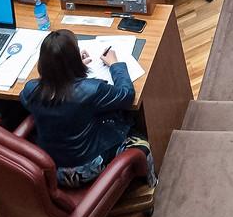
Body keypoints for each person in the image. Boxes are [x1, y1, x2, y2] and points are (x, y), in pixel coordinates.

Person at [21, 30, 143, 188]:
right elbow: (126, 95)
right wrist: (114, 64)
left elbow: (36, 95)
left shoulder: (31, 89)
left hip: (52, 167)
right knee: (138, 136)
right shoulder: (91, 90)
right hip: (84, 169)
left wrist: (68, 71)